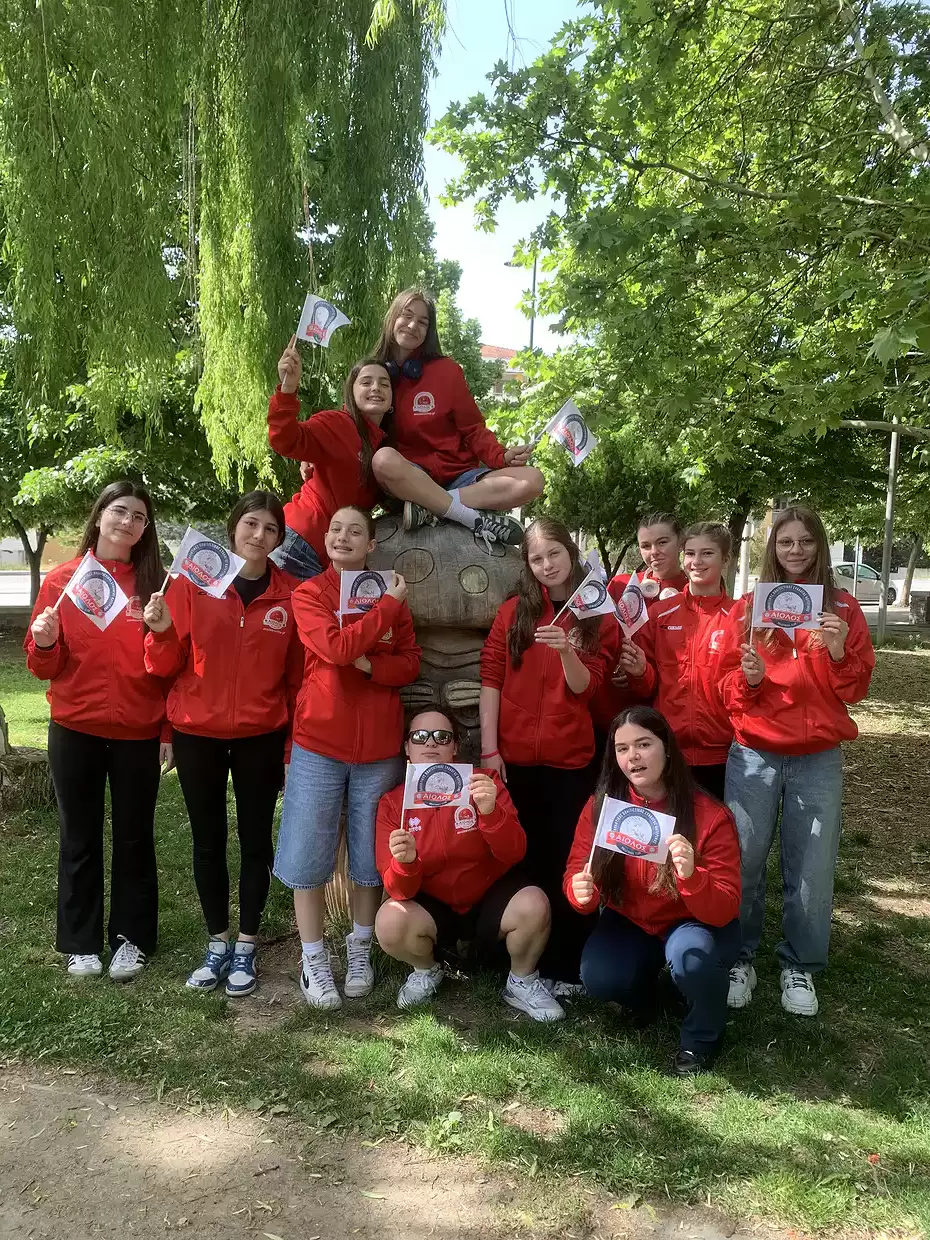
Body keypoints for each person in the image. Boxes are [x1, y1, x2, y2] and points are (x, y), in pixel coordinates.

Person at [142, 492, 304, 997]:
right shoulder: (194, 583)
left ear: (279, 539)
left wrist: (289, 748)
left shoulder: (290, 595)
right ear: (233, 528)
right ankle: (217, 943)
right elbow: (165, 665)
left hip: (261, 736)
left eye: (270, 529)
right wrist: (161, 632)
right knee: (207, 841)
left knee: (256, 842)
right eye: (250, 524)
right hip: (197, 733)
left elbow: (296, 682)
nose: (258, 535)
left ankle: (247, 946)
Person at [719, 505, 874, 1018]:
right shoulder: (750, 608)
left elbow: (855, 689)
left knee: (812, 867)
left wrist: (838, 650)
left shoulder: (843, 609)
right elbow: (726, 688)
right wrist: (750, 680)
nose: (796, 551)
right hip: (755, 752)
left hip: (817, 756)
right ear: (772, 548)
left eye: (806, 541)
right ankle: (739, 956)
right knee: (743, 859)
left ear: (820, 546)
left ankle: (800, 964)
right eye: (785, 542)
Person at [273, 505, 421, 1009]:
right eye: (335, 529)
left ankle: (360, 948)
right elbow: (335, 650)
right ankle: (313, 958)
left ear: (370, 544)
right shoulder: (310, 593)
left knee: (367, 856)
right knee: (307, 852)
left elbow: (409, 664)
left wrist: (370, 664)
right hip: (320, 742)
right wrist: (385, 612)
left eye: (355, 531)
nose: (343, 537)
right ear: (325, 540)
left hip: (379, 747)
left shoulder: (390, 591)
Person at [24, 481, 168, 982]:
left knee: (134, 836)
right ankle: (80, 943)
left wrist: (167, 728)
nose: (128, 522)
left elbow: (172, 666)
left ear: (145, 530)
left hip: (138, 730)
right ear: (101, 514)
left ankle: (131, 939)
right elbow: (42, 665)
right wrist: (45, 643)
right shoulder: (63, 581)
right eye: (120, 511)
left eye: (139, 517)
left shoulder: (156, 586)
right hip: (75, 728)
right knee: (78, 836)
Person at [564, 707, 741, 1076]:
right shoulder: (601, 808)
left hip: (693, 922)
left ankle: (701, 1038)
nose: (633, 756)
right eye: (622, 748)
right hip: (632, 919)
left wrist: (692, 876)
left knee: (691, 959)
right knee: (599, 976)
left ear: (667, 748)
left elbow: (725, 907)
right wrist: (579, 892)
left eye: (644, 744)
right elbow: (577, 873)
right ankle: (650, 995)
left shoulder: (710, 815)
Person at [479, 518, 618, 985]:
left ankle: (566, 964)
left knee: (567, 858)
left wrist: (566, 652)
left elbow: (587, 687)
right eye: (536, 558)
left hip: (570, 760)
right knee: (522, 858)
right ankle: (520, 958)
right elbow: (491, 679)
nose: (547, 565)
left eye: (554, 554)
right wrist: (490, 750)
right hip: (514, 759)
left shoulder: (593, 612)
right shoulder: (513, 612)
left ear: (570, 552)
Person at [374, 710, 565, 1021]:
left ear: (455, 746)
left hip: (489, 895)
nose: (431, 743)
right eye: (419, 737)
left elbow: (515, 852)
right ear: (407, 747)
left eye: (442, 736)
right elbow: (397, 890)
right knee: (389, 922)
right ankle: (426, 969)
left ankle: (521, 980)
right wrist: (406, 864)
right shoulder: (394, 803)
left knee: (535, 904)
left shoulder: (483, 782)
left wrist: (490, 813)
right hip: (433, 904)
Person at [368, 288, 543, 548]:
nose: (413, 325)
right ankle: (469, 517)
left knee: (532, 480)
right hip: (410, 479)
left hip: (460, 479)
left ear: (429, 331)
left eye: (423, 322)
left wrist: (501, 456)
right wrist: (315, 455)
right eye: (407, 315)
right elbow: (351, 424)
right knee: (382, 460)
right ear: (393, 317)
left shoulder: (447, 371)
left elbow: (473, 429)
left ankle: (429, 507)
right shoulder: (373, 374)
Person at [620, 522, 734, 800]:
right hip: (669, 751)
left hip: (724, 754)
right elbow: (647, 688)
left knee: (718, 826)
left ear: (726, 559)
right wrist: (639, 672)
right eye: (690, 553)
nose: (697, 561)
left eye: (707, 553)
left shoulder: (740, 617)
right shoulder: (660, 614)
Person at [267, 338, 393, 579]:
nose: (376, 388)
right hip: (299, 543)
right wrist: (288, 389)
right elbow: (285, 439)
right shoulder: (336, 424)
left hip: (329, 555)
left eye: (384, 384)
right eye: (366, 382)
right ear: (351, 392)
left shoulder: (384, 447)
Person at [590, 513, 687, 755]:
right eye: (645, 545)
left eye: (662, 542)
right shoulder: (621, 585)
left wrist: (640, 674)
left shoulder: (692, 590)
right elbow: (599, 639)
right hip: (610, 712)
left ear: (680, 541)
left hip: (662, 714)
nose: (654, 552)